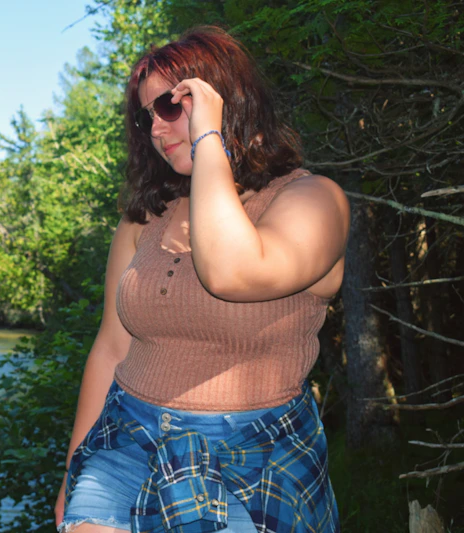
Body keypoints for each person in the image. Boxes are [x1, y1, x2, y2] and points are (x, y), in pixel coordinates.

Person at [54, 26, 350, 533]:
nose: (155, 128)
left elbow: (232, 273)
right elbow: (111, 347)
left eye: (170, 106)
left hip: (252, 455)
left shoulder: (313, 200)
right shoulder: (146, 218)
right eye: (145, 116)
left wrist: (209, 138)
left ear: (224, 99)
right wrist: (72, 471)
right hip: (127, 439)